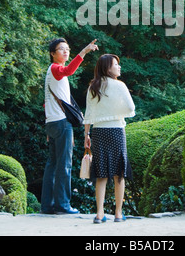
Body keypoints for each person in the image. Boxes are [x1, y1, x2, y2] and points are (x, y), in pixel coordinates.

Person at [41, 37, 98, 215]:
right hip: (61, 122)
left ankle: (47, 205)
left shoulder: (50, 72)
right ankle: (63, 205)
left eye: (67, 49)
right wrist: (85, 51)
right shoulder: (56, 69)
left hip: (51, 122)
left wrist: (49, 124)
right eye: (61, 49)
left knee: (53, 164)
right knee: (64, 164)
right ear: (52, 54)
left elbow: (46, 103)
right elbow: (69, 70)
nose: (66, 51)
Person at [84, 54, 135, 223]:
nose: (119, 67)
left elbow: (88, 114)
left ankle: (99, 214)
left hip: (98, 132)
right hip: (116, 131)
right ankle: (118, 214)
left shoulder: (93, 87)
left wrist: (86, 135)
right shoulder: (120, 86)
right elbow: (130, 108)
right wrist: (115, 112)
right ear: (107, 68)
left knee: (101, 173)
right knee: (118, 173)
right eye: (116, 64)